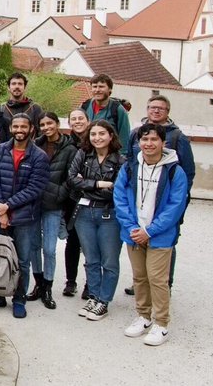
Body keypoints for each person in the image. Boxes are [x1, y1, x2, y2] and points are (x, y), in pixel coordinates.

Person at [114, 122, 188, 347]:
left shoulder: (175, 170)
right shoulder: (130, 167)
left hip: (159, 235)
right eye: (144, 139)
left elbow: (175, 207)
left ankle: (161, 323)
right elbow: (119, 197)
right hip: (134, 232)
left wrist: (149, 230)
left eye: (153, 139)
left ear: (163, 142)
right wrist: (132, 228)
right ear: (138, 143)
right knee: (139, 277)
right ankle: (144, 316)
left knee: (157, 279)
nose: (148, 143)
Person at [0, 114, 50, 319]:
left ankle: (19, 298)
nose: (19, 130)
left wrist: (8, 206)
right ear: (11, 128)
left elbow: (35, 188)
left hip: (24, 216)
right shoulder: (1, 150)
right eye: (16, 126)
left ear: (31, 129)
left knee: (22, 260)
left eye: (23, 127)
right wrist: (0, 209)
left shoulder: (39, 156)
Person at [69, 120, 125, 322]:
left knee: (109, 261)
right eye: (93, 134)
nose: (97, 138)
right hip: (84, 213)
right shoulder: (83, 155)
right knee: (91, 259)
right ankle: (93, 296)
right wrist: (99, 184)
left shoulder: (121, 161)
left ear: (111, 136)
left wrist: (87, 186)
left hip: (110, 215)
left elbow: (117, 191)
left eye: (102, 134)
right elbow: (72, 179)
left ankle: (104, 300)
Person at [28, 111, 79, 310]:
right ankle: (38, 284)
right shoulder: (35, 145)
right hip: (34, 203)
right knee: (34, 247)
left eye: (50, 123)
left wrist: (59, 193)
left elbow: (72, 176)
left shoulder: (70, 148)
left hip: (54, 205)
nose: (47, 127)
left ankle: (48, 286)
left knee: (49, 249)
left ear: (57, 124)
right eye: (43, 124)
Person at [63, 107, 91, 297]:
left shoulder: (97, 138)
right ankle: (70, 281)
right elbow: (67, 174)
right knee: (72, 241)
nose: (77, 121)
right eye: (74, 119)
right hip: (72, 197)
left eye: (81, 118)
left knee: (90, 243)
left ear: (87, 120)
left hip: (93, 198)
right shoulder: (66, 143)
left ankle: (91, 283)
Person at [82, 74, 132, 145]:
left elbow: (124, 136)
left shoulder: (117, 109)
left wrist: (121, 155)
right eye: (94, 87)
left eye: (101, 87)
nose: (97, 90)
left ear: (110, 89)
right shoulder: (85, 106)